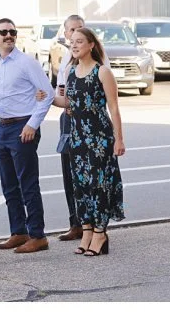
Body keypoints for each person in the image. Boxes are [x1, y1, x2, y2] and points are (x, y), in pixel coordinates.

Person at [0, 18, 55, 253]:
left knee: (28, 183)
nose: (8, 35)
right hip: (0, 127)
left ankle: (37, 235)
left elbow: (48, 93)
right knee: (8, 184)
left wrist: (32, 124)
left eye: (12, 31)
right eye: (3, 32)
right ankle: (19, 231)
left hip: (23, 127)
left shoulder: (26, 63)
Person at [53, 27, 126, 256]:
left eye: (79, 42)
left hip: (99, 138)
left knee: (99, 186)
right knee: (81, 186)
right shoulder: (71, 71)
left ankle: (100, 234)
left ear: (91, 44)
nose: (74, 46)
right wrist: (47, 98)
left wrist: (119, 139)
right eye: (72, 42)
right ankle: (86, 232)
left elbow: (113, 107)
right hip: (78, 139)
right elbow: (70, 104)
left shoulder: (102, 71)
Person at [53, 15, 110, 242]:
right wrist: (48, 97)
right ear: (66, 34)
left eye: (80, 31)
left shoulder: (99, 63)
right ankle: (76, 223)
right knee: (72, 175)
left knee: (95, 176)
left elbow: (105, 99)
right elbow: (61, 94)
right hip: (68, 120)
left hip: (92, 125)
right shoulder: (66, 63)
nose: (75, 36)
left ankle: (97, 229)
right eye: (72, 32)